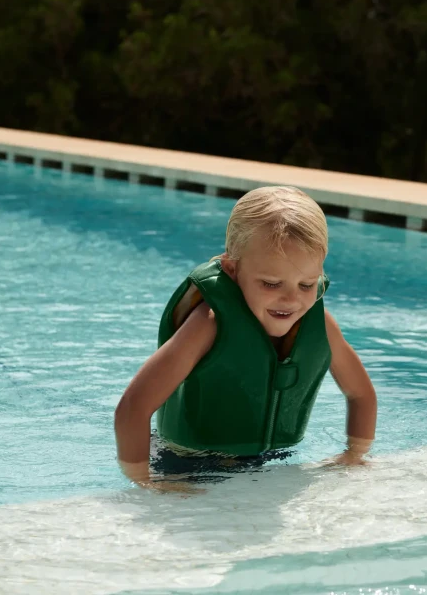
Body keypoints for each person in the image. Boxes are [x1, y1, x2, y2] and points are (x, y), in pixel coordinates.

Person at [114, 186, 378, 490]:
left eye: (306, 284)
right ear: (232, 270)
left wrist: (355, 454)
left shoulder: (320, 325)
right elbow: (133, 407)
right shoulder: (209, 325)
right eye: (271, 283)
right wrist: (144, 481)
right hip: (186, 463)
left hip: (276, 459)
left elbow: (361, 395)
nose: (290, 300)